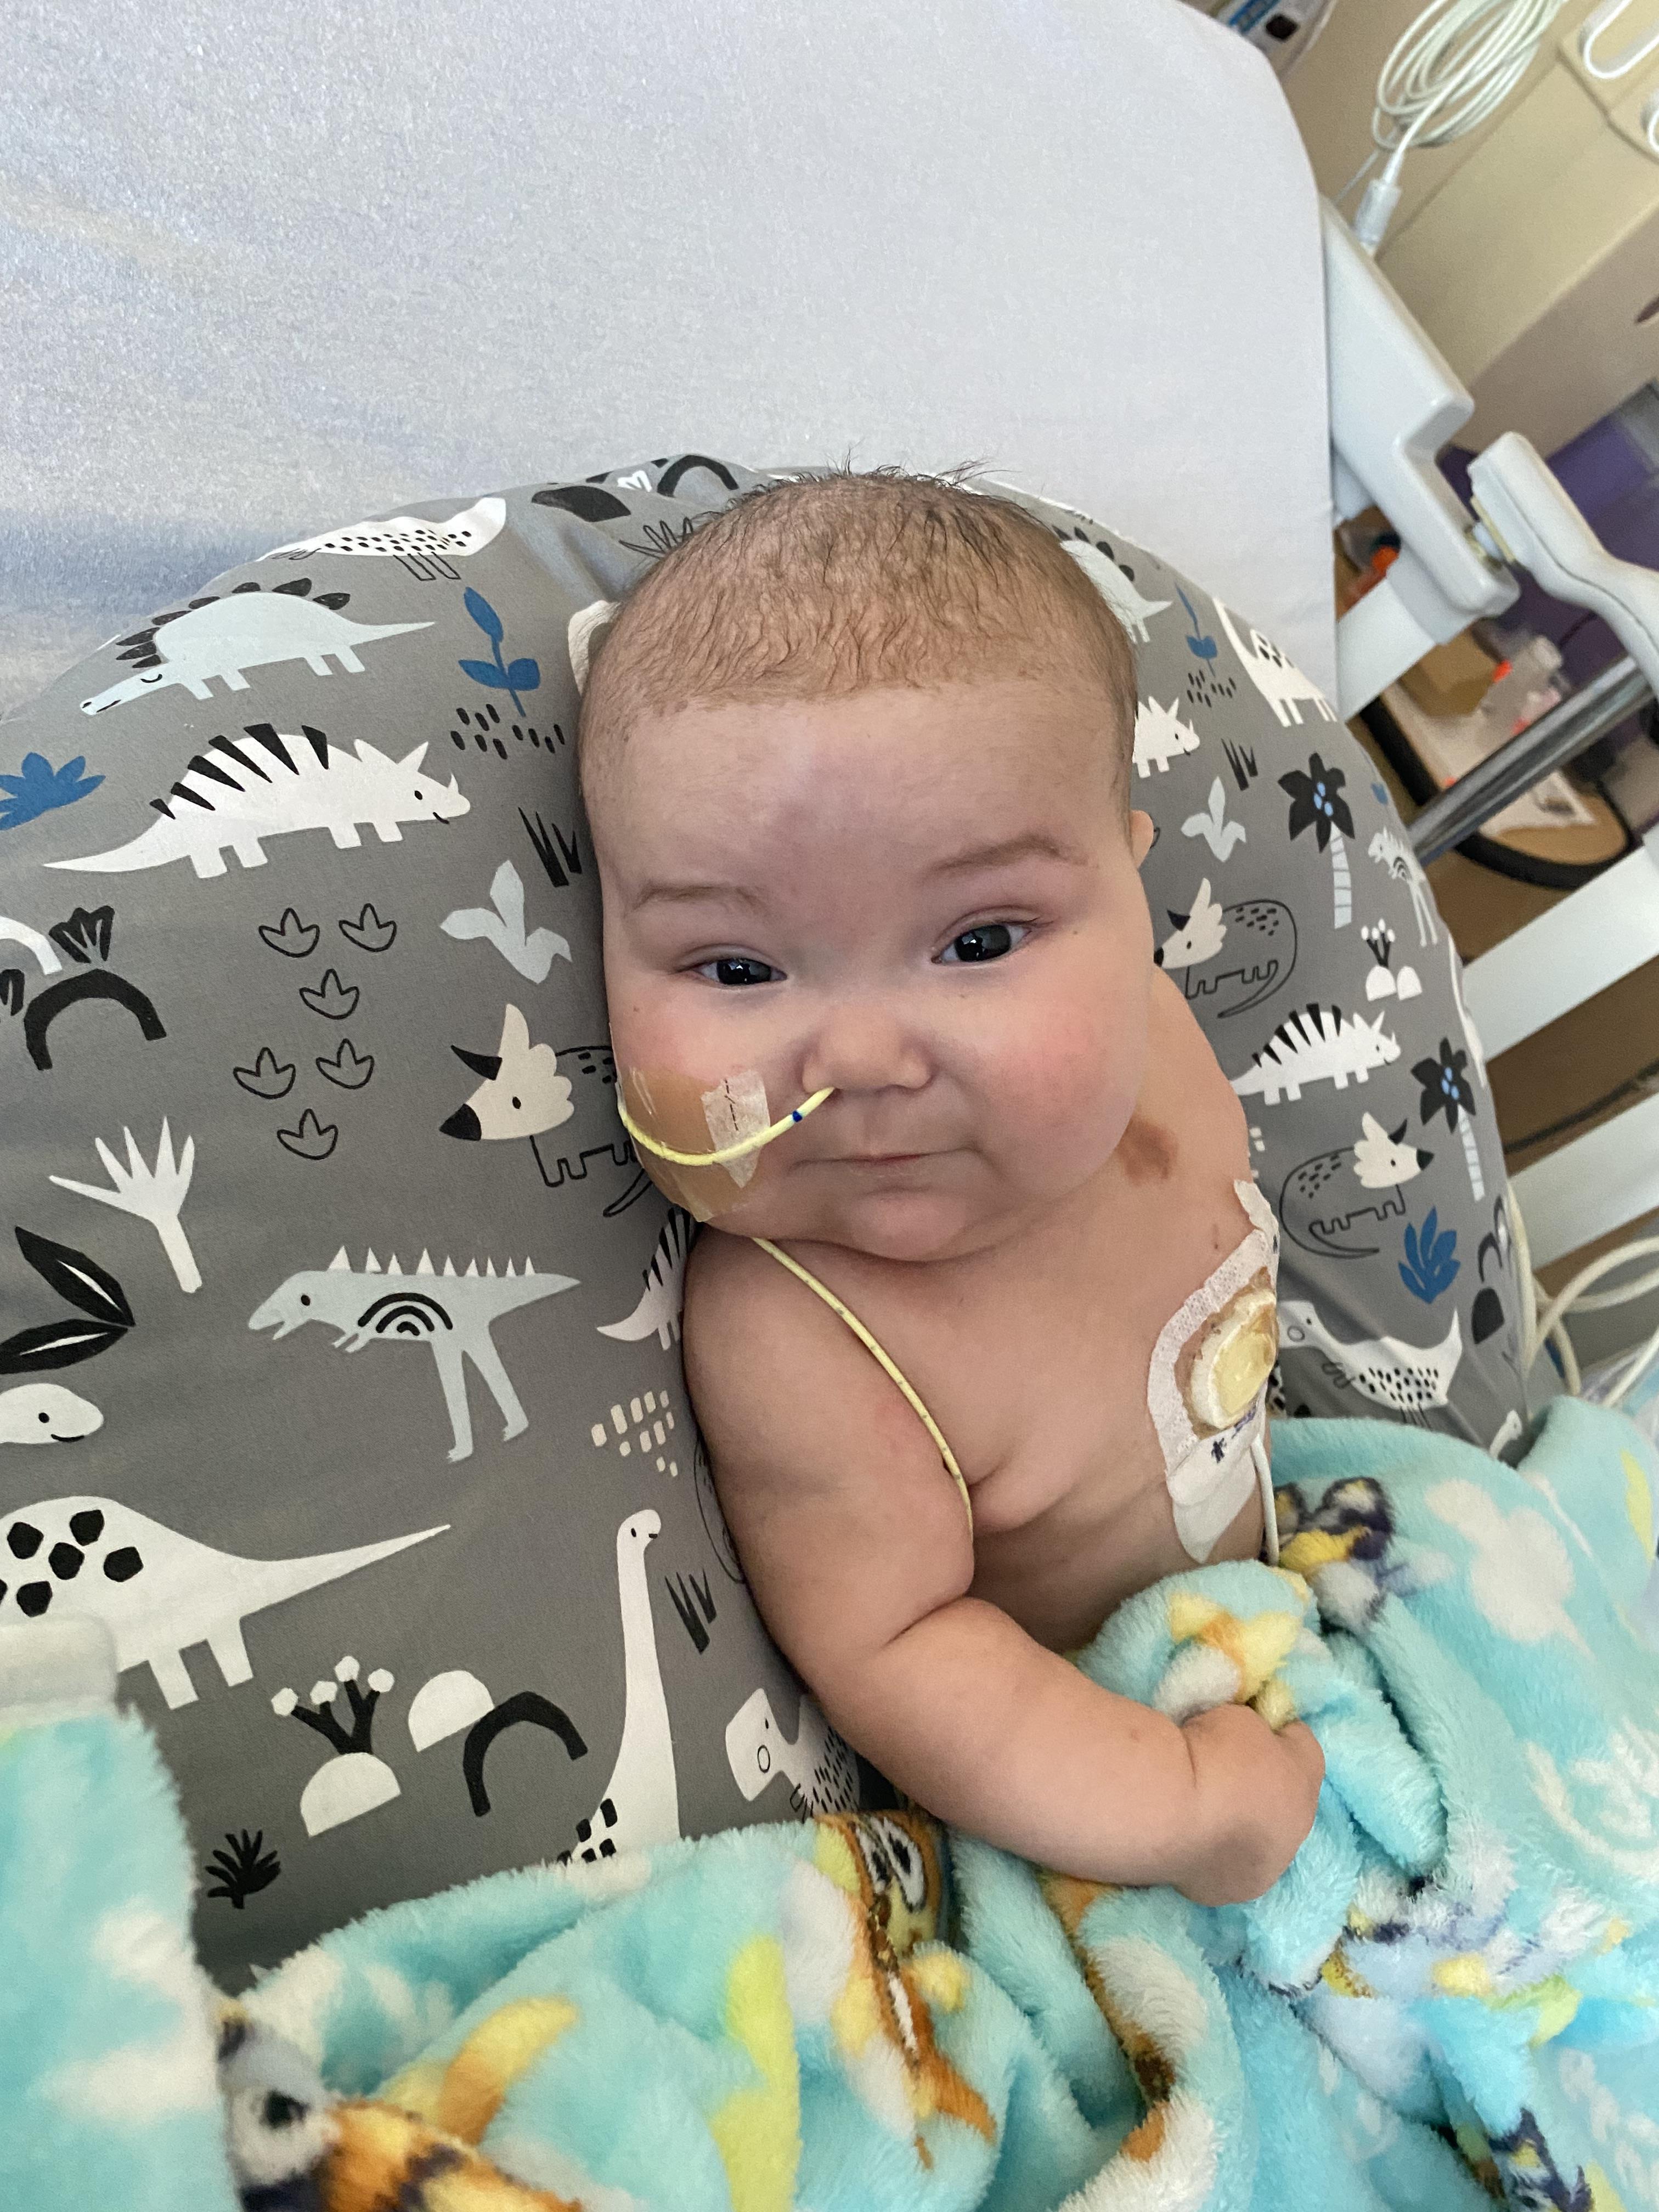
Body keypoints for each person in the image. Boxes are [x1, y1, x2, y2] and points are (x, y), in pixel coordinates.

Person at [579, 470, 1324, 1906]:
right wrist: (1175, 1804)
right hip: (1102, 1769)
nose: (858, 1058)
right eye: (736, 970)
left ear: (1132, 897)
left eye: (981, 941)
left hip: (1288, 1595)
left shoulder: (1155, 1041)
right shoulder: (800, 1327)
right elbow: (906, 1652)